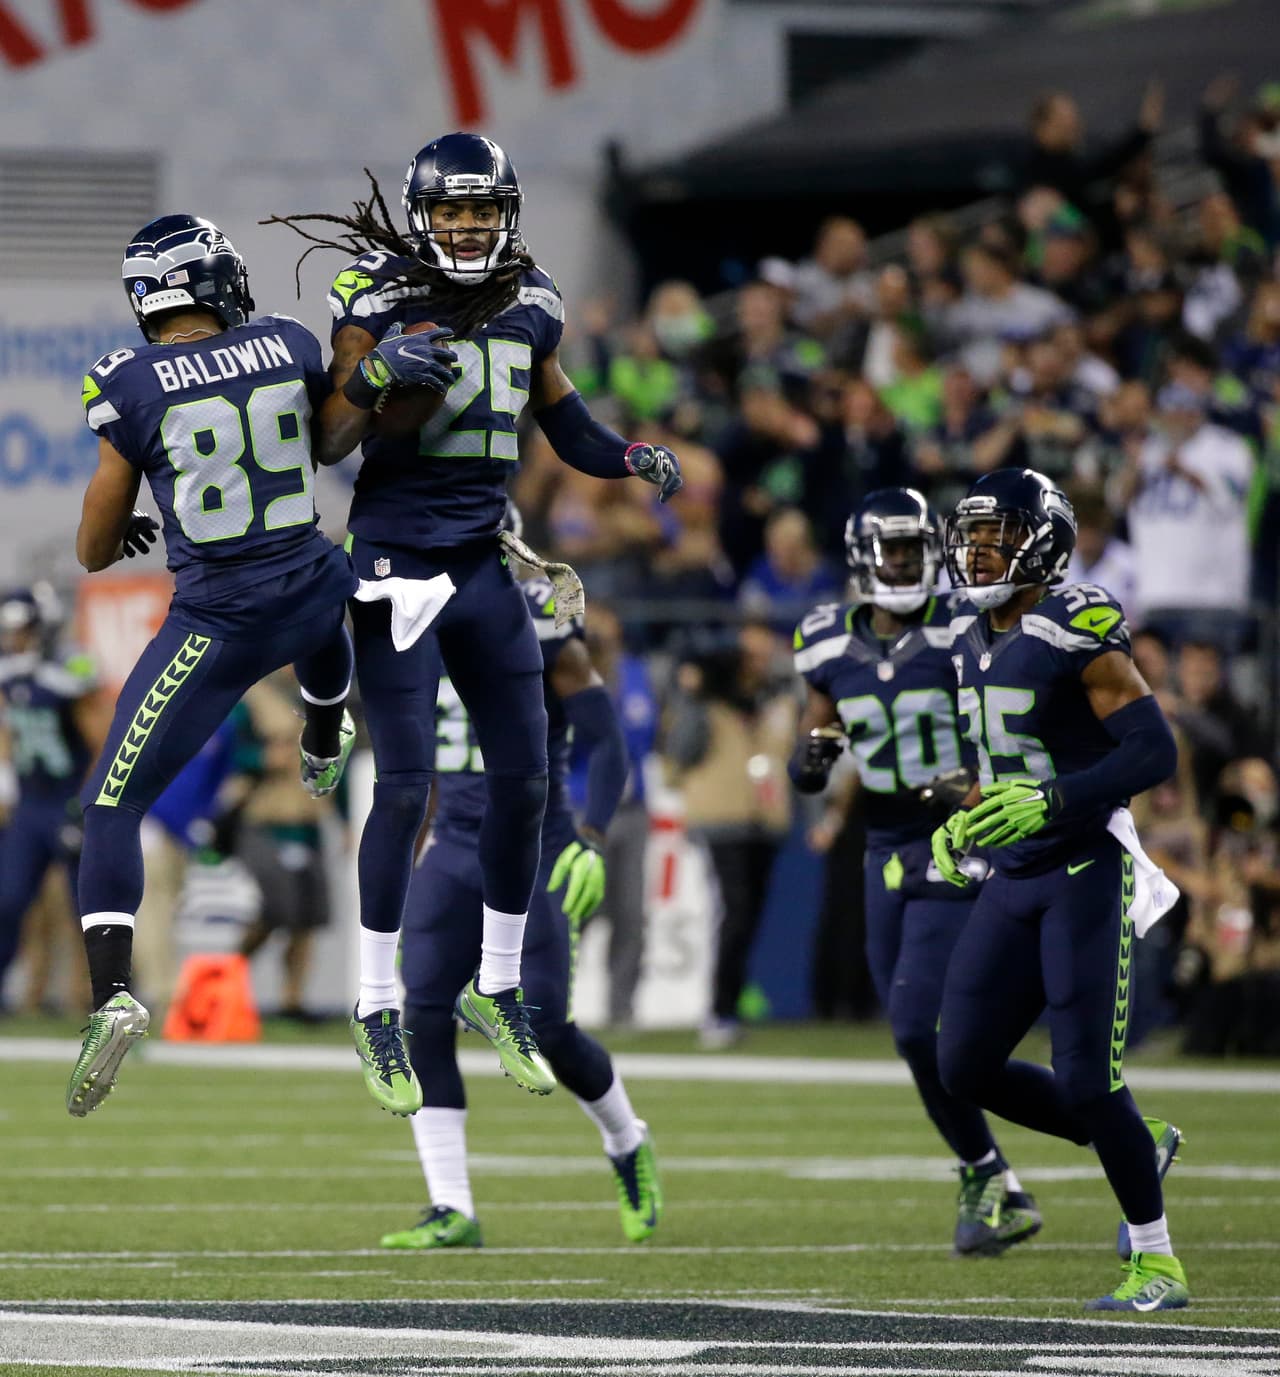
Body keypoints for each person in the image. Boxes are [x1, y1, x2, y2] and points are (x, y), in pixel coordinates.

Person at [268, 132, 681, 1105]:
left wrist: (626, 457)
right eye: (451, 211)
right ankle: (374, 1009)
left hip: (482, 559)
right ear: (423, 215)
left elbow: (563, 423)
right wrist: (374, 379)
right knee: (404, 786)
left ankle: (498, 988)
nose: (466, 226)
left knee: (526, 781)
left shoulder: (531, 300)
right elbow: (330, 436)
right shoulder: (378, 293)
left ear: (506, 215)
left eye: (481, 211)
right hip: (395, 558)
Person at [69, 214, 360, 1117]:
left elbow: (89, 549)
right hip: (313, 588)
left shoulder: (126, 383)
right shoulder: (284, 341)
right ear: (219, 281)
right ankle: (322, 728)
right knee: (321, 598)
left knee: (110, 804)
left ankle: (113, 991)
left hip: (216, 624)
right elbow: (329, 440)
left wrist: (122, 527)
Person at [931, 468, 1188, 1311]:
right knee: (961, 1061)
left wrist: (1056, 798)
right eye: (968, 535)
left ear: (1040, 538)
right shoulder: (969, 636)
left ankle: (1156, 1261)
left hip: (1083, 865)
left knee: (1086, 1077)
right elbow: (1008, 764)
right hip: (1015, 872)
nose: (976, 551)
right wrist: (964, 819)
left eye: (993, 534)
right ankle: (1136, 1142)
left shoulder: (1078, 619)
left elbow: (1152, 751)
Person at [787, 488, 1039, 1257]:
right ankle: (996, 1174)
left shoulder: (962, 628)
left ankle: (1048, 1145)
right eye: (891, 550)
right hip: (881, 845)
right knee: (914, 1040)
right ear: (865, 556)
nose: (904, 562)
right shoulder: (826, 639)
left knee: (914, 1023)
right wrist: (812, 759)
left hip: (955, 837)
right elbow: (815, 742)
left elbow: (1005, 719)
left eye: (912, 548)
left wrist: (971, 782)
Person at [382, 562, 661, 1249]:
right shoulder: (412, 611)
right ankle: (452, 1205)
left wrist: (593, 836)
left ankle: (627, 1138)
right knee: (421, 1015)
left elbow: (604, 741)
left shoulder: (537, 621)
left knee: (543, 1024)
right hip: (451, 847)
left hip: (535, 845)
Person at [0, 590, 99, 1002]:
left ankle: (112, 996)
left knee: (90, 909)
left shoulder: (68, 669)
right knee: (8, 900)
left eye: (20, 630)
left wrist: (87, 802)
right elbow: (8, 735)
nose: (13, 639)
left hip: (66, 802)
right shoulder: (10, 674)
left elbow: (101, 739)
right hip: (30, 805)